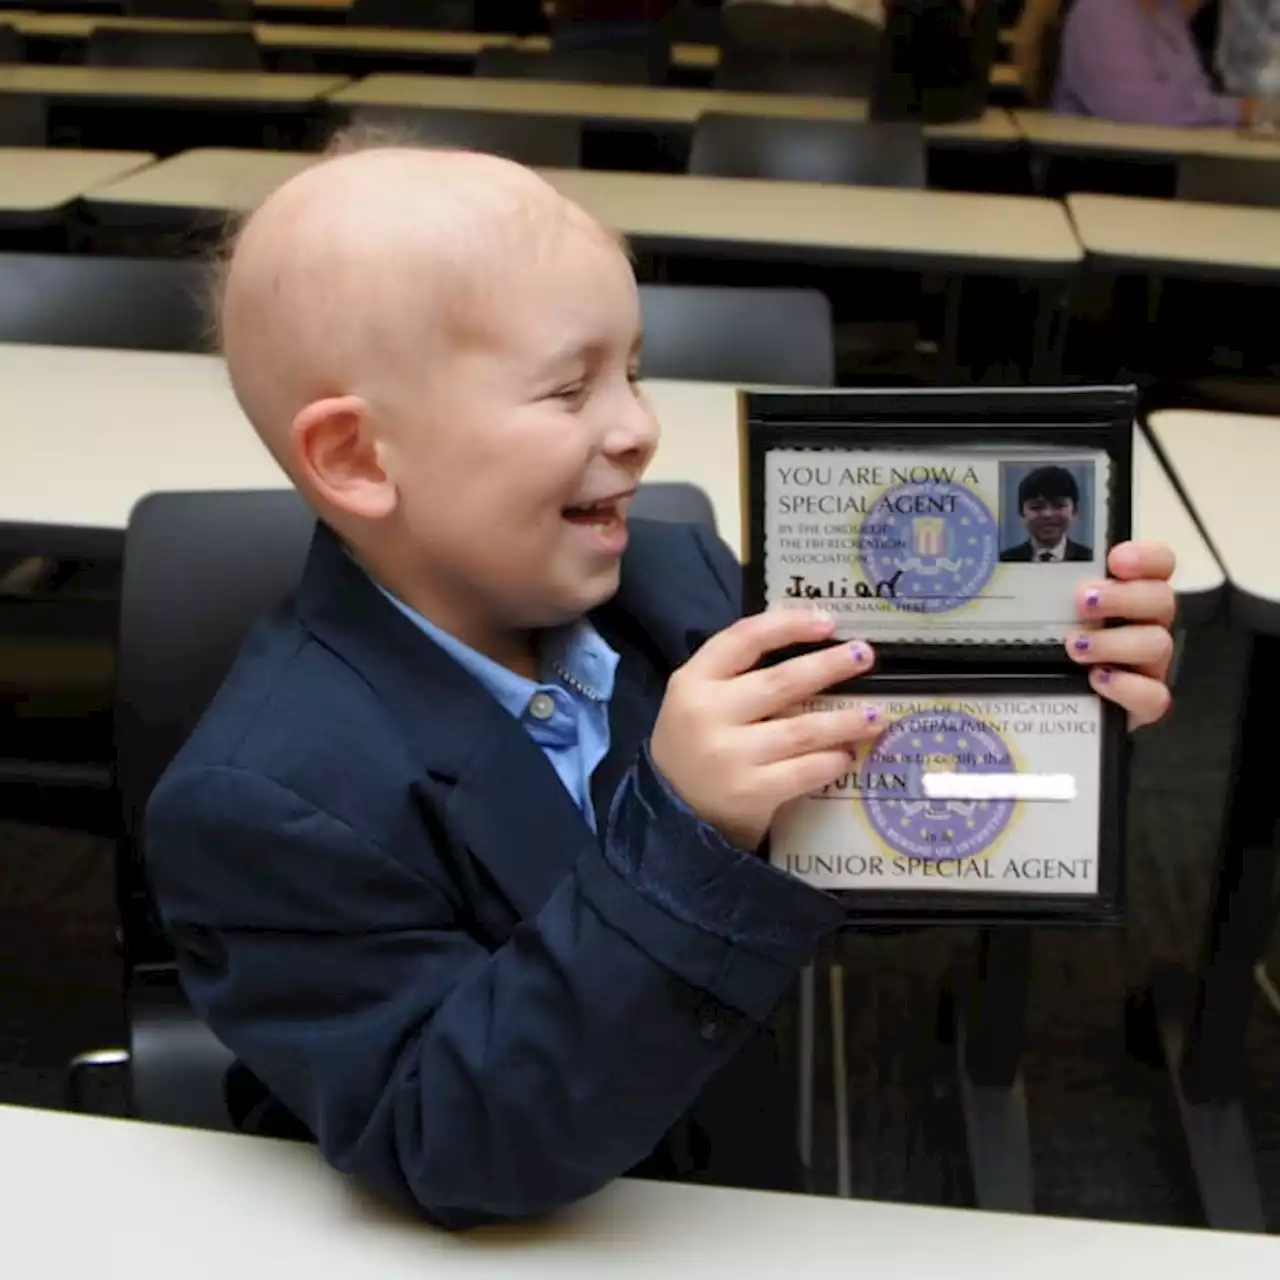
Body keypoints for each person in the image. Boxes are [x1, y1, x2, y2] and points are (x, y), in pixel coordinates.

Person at [143, 139, 1177, 1231]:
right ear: (356, 456)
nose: (637, 427)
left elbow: (860, 851)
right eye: (567, 386)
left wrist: (1057, 699)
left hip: (718, 1180)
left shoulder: (674, 578)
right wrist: (684, 831)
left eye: (630, 370)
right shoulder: (263, 797)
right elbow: (452, 1137)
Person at [1053, 0, 1254, 126]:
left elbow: (1194, 94)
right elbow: (1143, 112)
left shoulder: (1166, 12)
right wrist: (1240, 111)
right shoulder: (1101, 10)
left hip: (1170, 173)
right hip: (1109, 178)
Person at [1000, 465, 1094, 563]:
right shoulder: (1004, 560)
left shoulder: (1090, 559)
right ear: (1021, 512)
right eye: (1036, 507)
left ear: (1074, 510)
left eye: (1058, 505)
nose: (1047, 514)